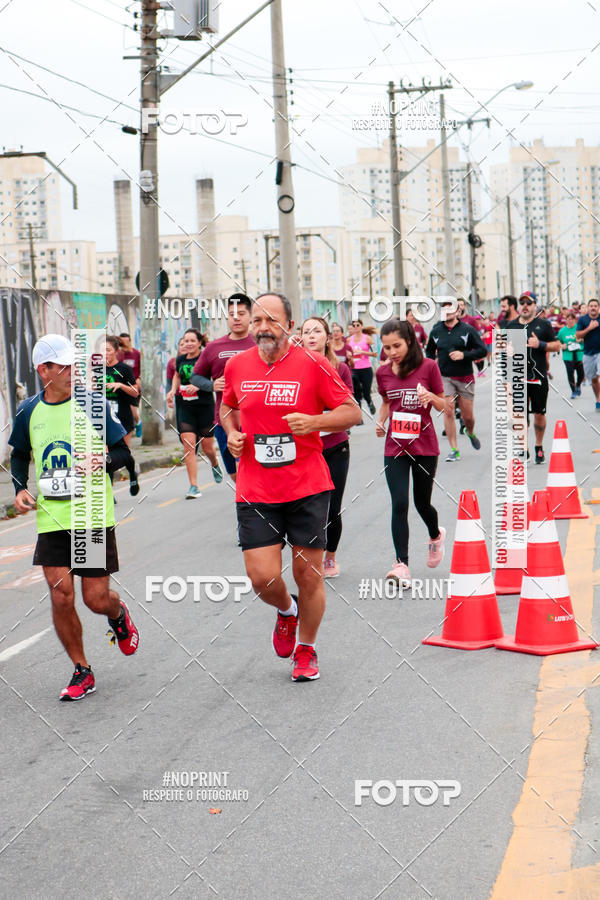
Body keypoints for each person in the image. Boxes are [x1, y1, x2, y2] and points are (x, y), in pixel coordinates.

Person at [220, 292, 360, 682]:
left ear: (290, 325)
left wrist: (315, 422)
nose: (263, 327)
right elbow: (228, 406)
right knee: (261, 577)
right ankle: (287, 610)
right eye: (257, 320)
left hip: (306, 486)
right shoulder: (237, 366)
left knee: (308, 575)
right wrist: (231, 434)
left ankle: (306, 649)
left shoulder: (313, 364)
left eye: (272, 320)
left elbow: (352, 412)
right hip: (256, 487)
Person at [8, 334, 140, 701]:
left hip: (91, 514)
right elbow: (18, 454)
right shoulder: (28, 410)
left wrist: (104, 460)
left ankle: (117, 613)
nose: (71, 371)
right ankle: (82, 669)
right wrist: (19, 489)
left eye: (73, 365)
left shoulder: (92, 405)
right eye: (63, 366)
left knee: (95, 599)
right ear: (43, 370)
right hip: (52, 518)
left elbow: (123, 453)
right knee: (61, 596)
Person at [376, 318, 446, 584]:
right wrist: (381, 421)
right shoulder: (383, 372)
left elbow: (444, 405)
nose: (392, 352)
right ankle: (401, 564)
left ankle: (435, 534)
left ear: (409, 342)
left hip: (424, 446)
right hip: (395, 446)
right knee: (399, 503)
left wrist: (431, 397)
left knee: (422, 502)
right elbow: (386, 402)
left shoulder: (428, 367)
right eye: (387, 347)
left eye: (397, 346)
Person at [300, 316, 353, 578]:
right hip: (304, 449)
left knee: (332, 508)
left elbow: (349, 407)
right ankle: (310, 556)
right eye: (306, 332)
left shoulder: (339, 368)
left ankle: (330, 557)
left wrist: (321, 418)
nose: (311, 336)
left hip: (335, 447)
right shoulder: (293, 369)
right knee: (307, 508)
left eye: (317, 331)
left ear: (327, 338)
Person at [190, 293, 255, 482]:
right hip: (224, 419)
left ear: (250, 316)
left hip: (255, 418)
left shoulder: (260, 344)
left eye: (241, 314)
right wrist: (211, 385)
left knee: (248, 470)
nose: (236, 318)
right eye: (232, 314)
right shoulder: (214, 347)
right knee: (234, 474)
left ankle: (252, 500)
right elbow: (195, 377)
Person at [425, 301, 487, 461]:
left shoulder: (467, 330)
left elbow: (482, 350)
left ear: (457, 312)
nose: (447, 312)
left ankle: (470, 432)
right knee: (448, 410)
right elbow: (429, 351)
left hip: (465, 377)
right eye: (444, 309)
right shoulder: (436, 331)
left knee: (468, 416)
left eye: (450, 309)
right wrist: (432, 364)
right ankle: (454, 449)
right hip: (445, 377)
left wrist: (463, 355)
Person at [167, 327, 223, 498]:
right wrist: (172, 390)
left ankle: (214, 464)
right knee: (189, 445)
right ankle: (193, 486)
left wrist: (199, 385)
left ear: (199, 343)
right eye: (186, 341)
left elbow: (213, 379)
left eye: (192, 341)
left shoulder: (205, 358)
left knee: (208, 447)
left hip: (204, 406)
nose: (188, 344)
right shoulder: (180, 359)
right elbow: (177, 375)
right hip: (185, 407)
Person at [505, 293, 560, 463]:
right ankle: (524, 449)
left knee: (539, 414)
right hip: (518, 377)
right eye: (522, 302)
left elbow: (557, 345)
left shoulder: (543, 325)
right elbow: (504, 351)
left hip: (538, 376)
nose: (525, 305)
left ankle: (538, 446)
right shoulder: (511, 326)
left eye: (528, 303)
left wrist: (540, 344)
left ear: (535, 306)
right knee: (519, 414)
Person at [100, 336, 140, 497]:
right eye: (102, 351)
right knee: (107, 455)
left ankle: (132, 475)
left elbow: (135, 392)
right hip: (104, 418)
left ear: (116, 351)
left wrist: (121, 385)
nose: (105, 354)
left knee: (124, 453)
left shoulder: (124, 369)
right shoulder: (96, 369)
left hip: (122, 417)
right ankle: (110, 493)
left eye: (108, 350)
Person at [348, 318, 377, 415]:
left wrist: (362, 352)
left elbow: (375, 354)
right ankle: (358, 415)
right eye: (354, 326)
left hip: (366, 368)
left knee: (366, 392)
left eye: (358, 325)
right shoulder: (349, 340)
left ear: (361, 326)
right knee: (356, 393)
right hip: (354, 369)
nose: (355, 327)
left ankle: (369, 402)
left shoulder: (367, 338)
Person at [576, 298, 600, 411]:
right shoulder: (583, 319)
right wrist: (589, 328)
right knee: (594, 380)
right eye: (591, 306)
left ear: (598, 308)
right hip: (588, 353)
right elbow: (578, 335)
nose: (593, 308)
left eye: (595, 306)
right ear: (588, 308)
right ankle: (598, 400)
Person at [117, 333, 142, 437]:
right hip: (120, 387)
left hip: (133, 385)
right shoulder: (118, 355)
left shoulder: (136, 354)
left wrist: (139, 379)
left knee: (133, 411)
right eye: (121, 342)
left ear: (130, 341)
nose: (124, 344)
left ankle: (138, 423)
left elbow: (142, 368)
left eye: (126, 342)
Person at [557, 311, 584, 398]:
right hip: (568, 356)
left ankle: (578, 385)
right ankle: (573, 391)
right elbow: (557, 342)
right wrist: (562, 346)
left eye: (572, 319)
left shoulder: (579, 328)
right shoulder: (562, 331)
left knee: (581, 374)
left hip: (579, 355)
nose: (571, 321)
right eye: (569, 319)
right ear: (566, 320)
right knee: (570, 375)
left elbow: (586, 338)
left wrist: (581, 340)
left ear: (575, 320)